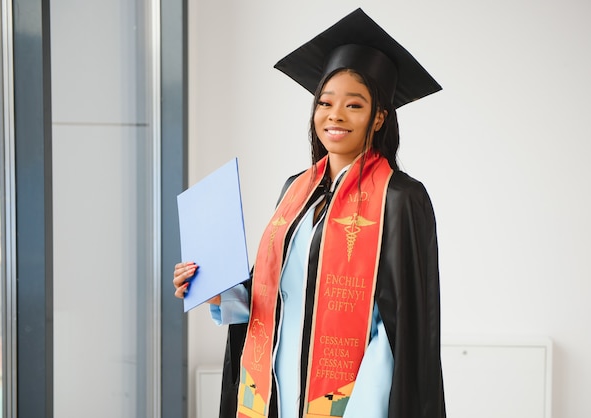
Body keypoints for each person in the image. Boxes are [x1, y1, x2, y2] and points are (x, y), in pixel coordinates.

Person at [174, 8, 446, 418]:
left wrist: (363, 409)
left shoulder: (400, 197)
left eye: (354, 105)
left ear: (378, 118)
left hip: (352, 401)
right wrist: (216, 288)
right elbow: (272, 296)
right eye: (325, 102)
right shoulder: (294, 192)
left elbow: (399, 327)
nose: (335, 115)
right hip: (275, 393)